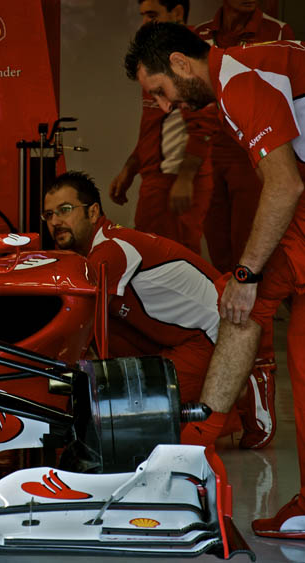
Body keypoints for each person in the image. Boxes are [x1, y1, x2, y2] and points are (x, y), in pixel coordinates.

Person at [124, 21, 305, 538]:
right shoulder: (242, 73)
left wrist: (246, 273)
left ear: (181, 63)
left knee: (243, 299)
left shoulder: (241, 81)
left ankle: (193, 446)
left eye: (159, 91)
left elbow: (284, 184)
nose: (161, 107)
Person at [192, 0, 294, 450]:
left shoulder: (272, 33)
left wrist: (248, 273)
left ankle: (244, 418)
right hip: (222, 163)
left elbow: (286, 182)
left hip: (268, 162)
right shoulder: (198, 37)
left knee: (248, 286)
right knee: (229, 283)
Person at [44, 171, 222, 406]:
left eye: (65, 209)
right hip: (171, 337)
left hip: (206, 339)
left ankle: (240, 390)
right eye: (49, 214)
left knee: (150, 420)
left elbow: (79, 329)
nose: (55, 221)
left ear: (93, 211)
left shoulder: (110, 249)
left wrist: (45, 375)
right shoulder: (95, 249)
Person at [110, 0, 217, 256]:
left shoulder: (191, 58)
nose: (145, 22)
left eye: (152, 14)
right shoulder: (154, 60)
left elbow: (204, 122)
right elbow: (151, 125)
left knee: (178, 259)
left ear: (177, 13)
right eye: (142, 15)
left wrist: (186, 177)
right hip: (154, 175)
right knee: (149, 252)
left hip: (177, 175)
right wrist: (130, 167)